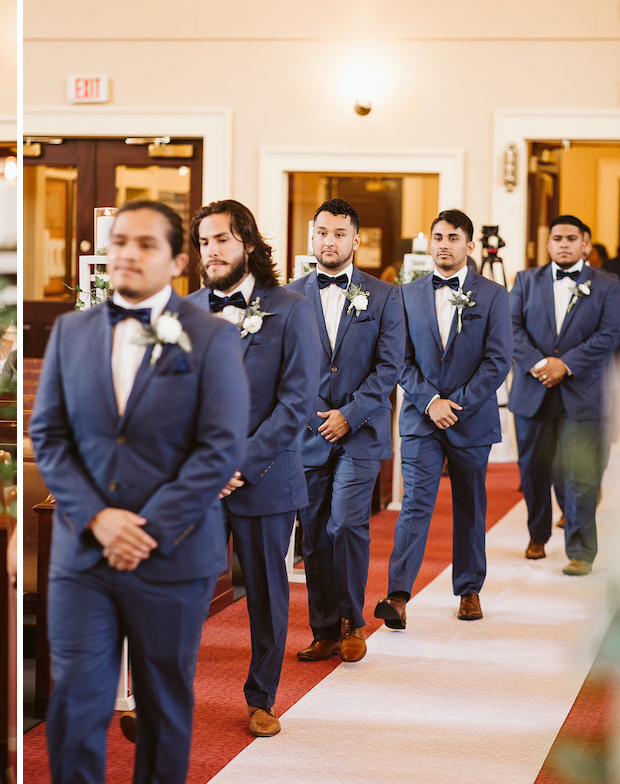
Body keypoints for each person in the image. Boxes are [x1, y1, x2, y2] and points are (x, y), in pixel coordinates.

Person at [29, 199, 248, 784]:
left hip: (172, 554)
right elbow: (49, 435)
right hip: (84, 554)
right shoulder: (72, 332)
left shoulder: (212, 338)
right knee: (76, 702)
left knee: (163, 705)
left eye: (145, 244)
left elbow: (219, 448)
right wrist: (99, 518)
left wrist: (145, 529)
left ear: (179, 260)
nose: (127, 252)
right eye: (120, 240)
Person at [183, 199, 320, 737]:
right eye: (204, 242)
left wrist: (238, 464)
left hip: (264, 477)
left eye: (220, 240)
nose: (211, 252)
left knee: (266, 596)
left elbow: (296, 401)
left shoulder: (290, 309)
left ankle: (262, 697)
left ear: (247, 244)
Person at [374, 210, 511, 628]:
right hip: (421, 418)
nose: (444, 245)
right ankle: (397, 595)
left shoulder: (492, 294)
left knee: (471, 505)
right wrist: (431, 400)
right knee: (415, 504)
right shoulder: (406, 294)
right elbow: (398, 358)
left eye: (453, 238)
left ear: (470, 246)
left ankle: (469, 590)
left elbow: (498, 360)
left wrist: (457, 404)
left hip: (471, 418)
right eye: (437, 237)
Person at [285, 198, 403, 664]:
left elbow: (389, 366)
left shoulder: (386, 295)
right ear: (311, 237)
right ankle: (325, 629)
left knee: (346, 523)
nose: (328, 241)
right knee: (313, 533)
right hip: (308, 432)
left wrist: (349, 414)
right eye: (321, 233)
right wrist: (316, 412)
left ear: (356, 240)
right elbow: (287, 367)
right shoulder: (290, 296)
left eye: (338, 233)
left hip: (361, 431)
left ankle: (355, 621)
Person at [509, 214, 619, 577]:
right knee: (533, 470)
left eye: (572, 238)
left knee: (580, 475)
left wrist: (565, 365)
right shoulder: (525, 281)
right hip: (533, 389)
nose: (564, 244)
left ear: (585, 243)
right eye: (557, 238)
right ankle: (537, 534)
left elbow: (609, 335)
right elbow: (510, 328)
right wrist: (541, 363)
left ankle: (581, 551)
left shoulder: (607, 284)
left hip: (582, 393)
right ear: (548, 243)